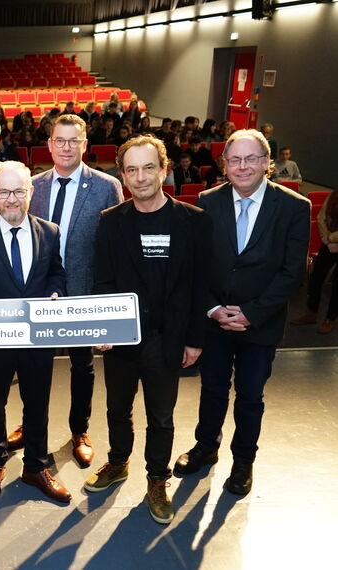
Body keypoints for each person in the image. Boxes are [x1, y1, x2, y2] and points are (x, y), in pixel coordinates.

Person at [175, 129, 310, 496]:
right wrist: (214, 309)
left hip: (260, 324)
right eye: (234, 160)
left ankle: (243, 461)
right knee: (212, 390)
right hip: (215, 322)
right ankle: (206, 448)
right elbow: (195, 264)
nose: (242, 166)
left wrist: (251, 313)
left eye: (251, 159)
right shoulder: (206, 201)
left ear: (267, 163)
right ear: (224, 165)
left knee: (250, 397)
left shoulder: (295, 207)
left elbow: (292, 271)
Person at [85, 136, 211, 525]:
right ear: (122, 175)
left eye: (148, 167)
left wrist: (195, 338)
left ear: (165, 169)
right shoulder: (110, 221)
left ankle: (158, 479)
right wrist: (103, 326)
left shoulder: (193, 221)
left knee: (161, 417)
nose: (141, 177)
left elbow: (200, 285)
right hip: (123, 339)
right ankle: (118, 462)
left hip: (166, 339)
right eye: (132, 169)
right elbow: (102, 282)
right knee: (117, 410)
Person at [8, 114, 124, 467]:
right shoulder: (33, 185)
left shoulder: (107, 186)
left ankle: (80, 430)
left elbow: (115, 250)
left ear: (85, 145)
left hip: (84, 294)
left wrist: (108, 307)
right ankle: (30, 425)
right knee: (32, 367)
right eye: (60, 140)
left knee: (82, 366)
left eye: (74, 141)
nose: (66, 147)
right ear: (50, 144)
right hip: (40, 294)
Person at [0, 161, 70, 503]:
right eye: (4, 192)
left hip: (37, 340)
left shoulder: (50, 232)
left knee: (38, 403)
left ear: (30, 193)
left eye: (19, 191)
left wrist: (56, 293)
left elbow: (57, 275)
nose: (12, 199)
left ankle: (36, 465)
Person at [290, 186, 338, 334]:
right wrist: (327, 241)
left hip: (331, 240)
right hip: (328, 244)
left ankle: (330, 318)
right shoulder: (334, 195)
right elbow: (321, 217)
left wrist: (331, 238)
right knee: (316, 279)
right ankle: (311, 313)